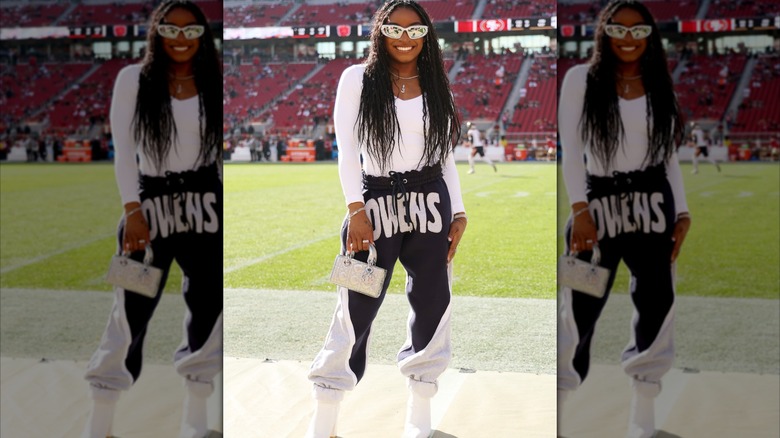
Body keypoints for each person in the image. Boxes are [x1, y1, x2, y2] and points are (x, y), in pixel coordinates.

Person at [305, 1, 466, 437]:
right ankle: (325, 417)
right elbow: (347, 149)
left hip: (431, 204)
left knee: (433, 302)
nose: (405, 38)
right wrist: (355, 209)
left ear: (426, 36)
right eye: (396, 28)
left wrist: (461, 210)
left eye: (415, 31)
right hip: (372, 205)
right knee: (354, 306)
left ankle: (419, 416)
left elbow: (445, 156)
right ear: (382, 30)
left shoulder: (437, 84)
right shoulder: (356, 78)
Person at [82, 2, 223, 437]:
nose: (181, 38)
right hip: (150, 209)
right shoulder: (133, 79)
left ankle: (194, 423)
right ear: (156, 32)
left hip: (207, 208)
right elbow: (125, 152)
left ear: (201, 33)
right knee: (129, 311)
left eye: (190, 29)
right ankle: (99, 423)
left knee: (209, 309)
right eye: (171, 29)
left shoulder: (216, 78)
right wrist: (132, 210)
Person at [557, 2, 692, 437]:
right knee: (577, 308)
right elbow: (571, 150)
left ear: (650, 35)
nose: (629, 38)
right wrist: (579, 209)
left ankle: (643, 416)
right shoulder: (581, 78)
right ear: (605, 32)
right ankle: (557, 411)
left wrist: (683, 210)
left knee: (657, 302)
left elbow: (667, 155)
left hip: (654, 205)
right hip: (596, 209)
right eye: (620, 28)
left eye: (639, 30)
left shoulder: (659, 84)